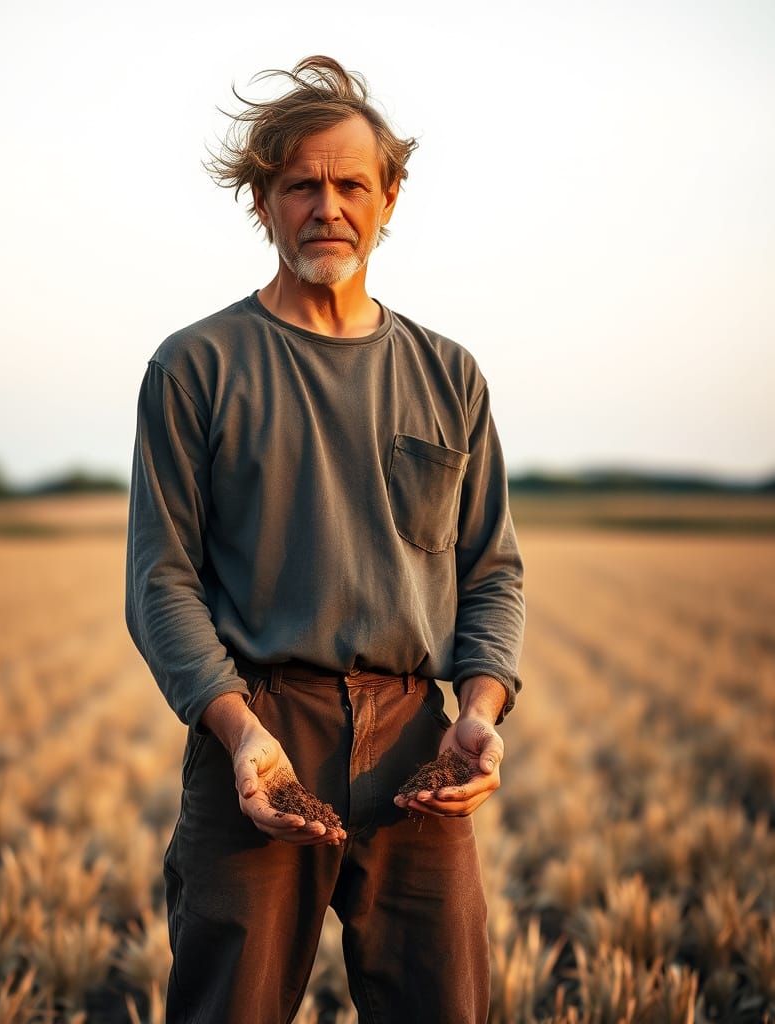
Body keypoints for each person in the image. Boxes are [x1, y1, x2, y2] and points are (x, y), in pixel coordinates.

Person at [125, 55, 526, 1024]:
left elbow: (492, 571)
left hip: (417, 738)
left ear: (390, 197)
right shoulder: (197, 365)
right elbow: (162, 578)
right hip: (261, 728)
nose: (327, 207)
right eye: (300, 185)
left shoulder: (449, 373)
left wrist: (479, 710)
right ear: (262, 201)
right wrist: (238, 731)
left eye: (351, 184)